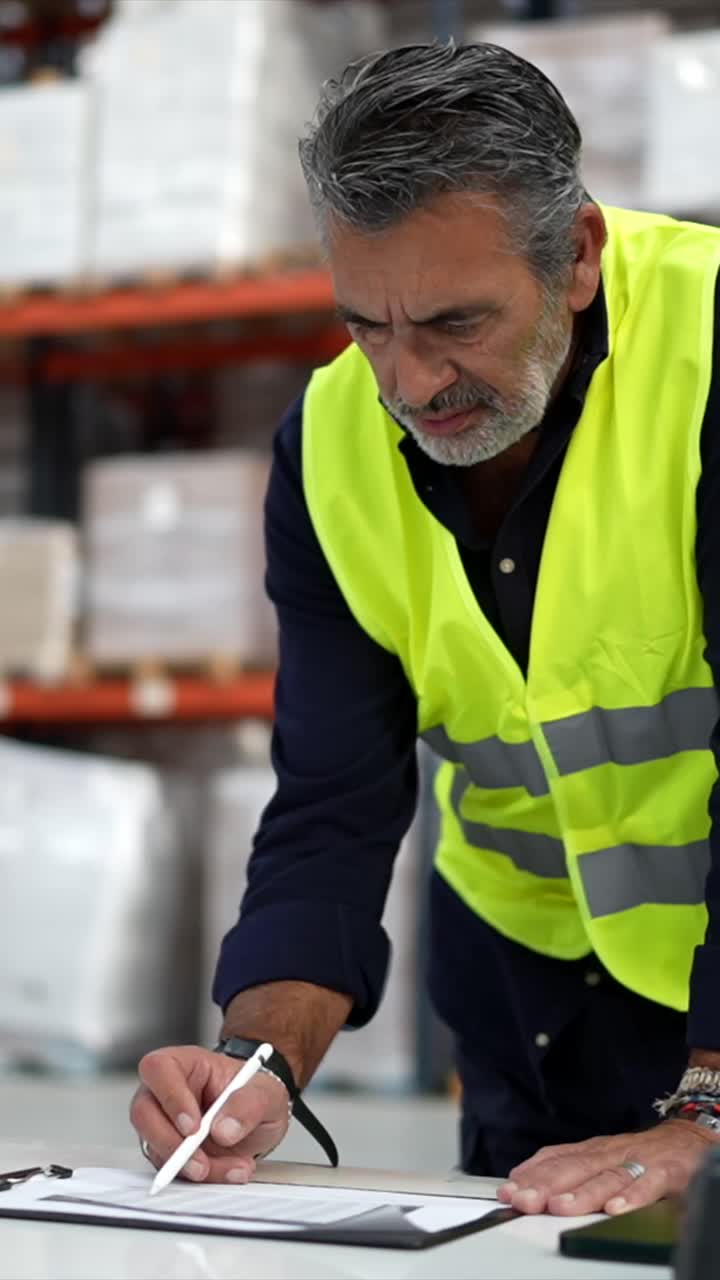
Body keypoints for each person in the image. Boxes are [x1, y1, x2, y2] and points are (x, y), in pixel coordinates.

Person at [131, 41, 720, 1218]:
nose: (408, 382)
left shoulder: (704, 357)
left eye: (456, 322)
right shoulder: (329, 444)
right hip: (527, 1003)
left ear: (579, 257)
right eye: (367, 325)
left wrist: (708, 1111)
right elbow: (331, 803)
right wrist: (256, 1061)